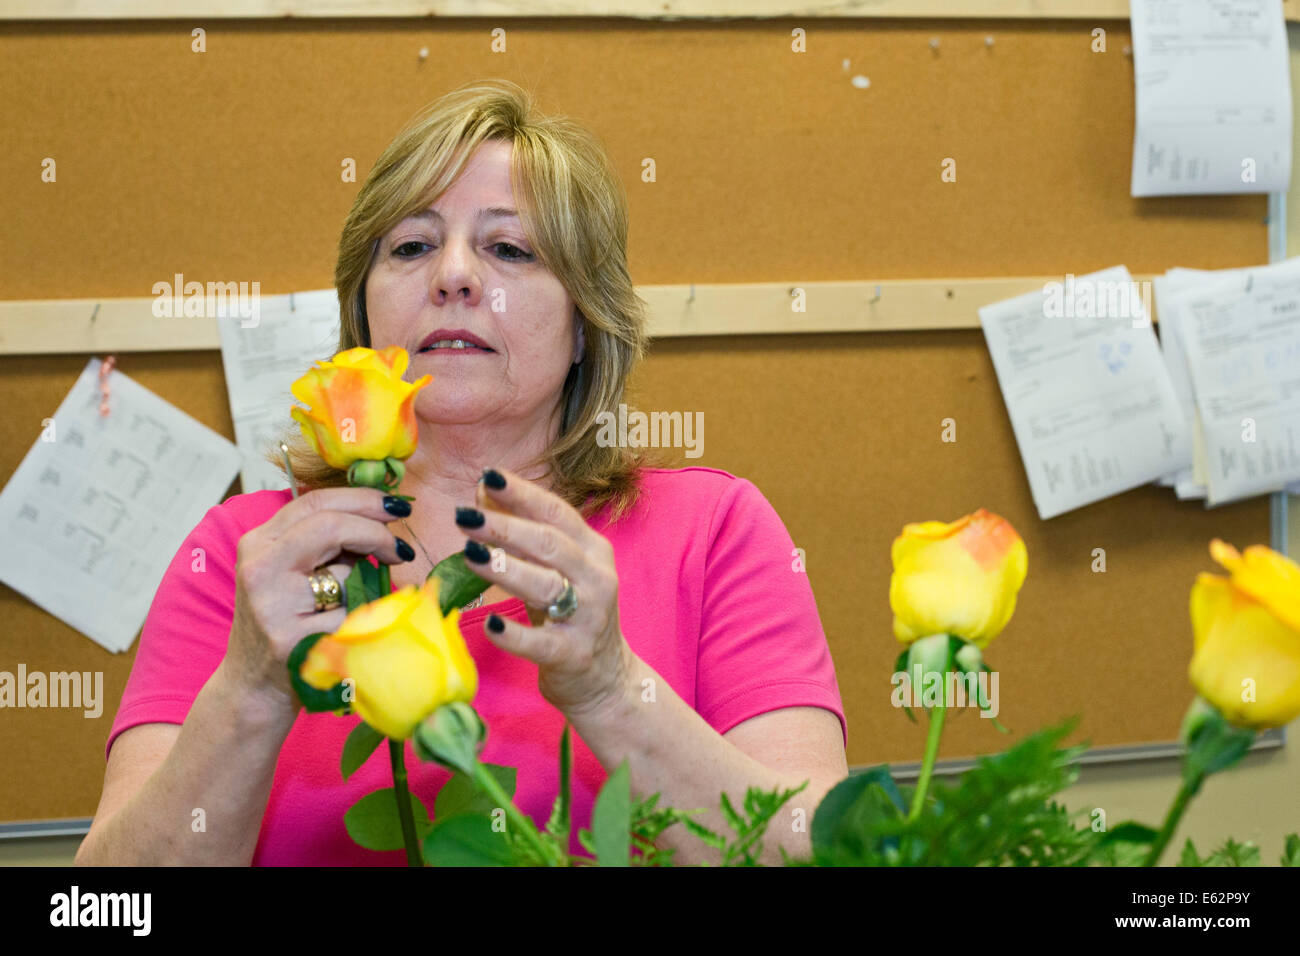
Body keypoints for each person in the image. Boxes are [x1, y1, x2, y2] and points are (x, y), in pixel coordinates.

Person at [77, 79, 847, 866]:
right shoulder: (246, 554)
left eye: (509, 249)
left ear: (586, 324)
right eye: (411, 246)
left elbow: (818, 860)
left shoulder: (714, 531)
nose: (453, 275)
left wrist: (612, 691)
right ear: (364, 312)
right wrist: (250, 690)